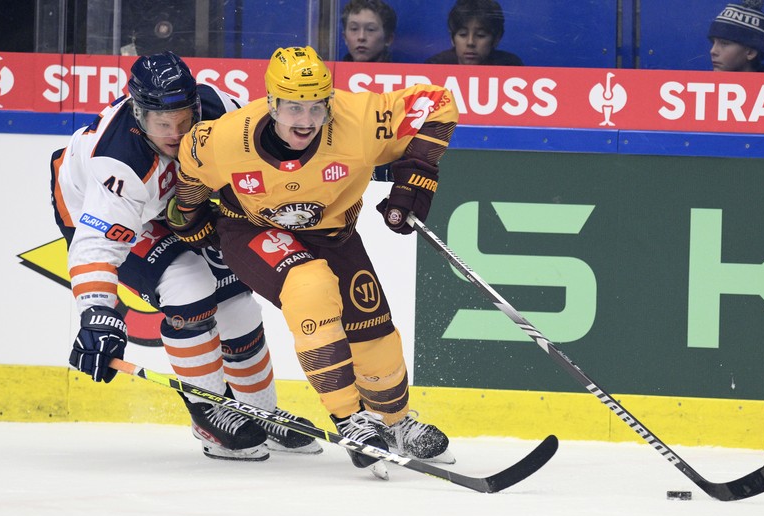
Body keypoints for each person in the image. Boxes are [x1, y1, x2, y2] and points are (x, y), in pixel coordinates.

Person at [174, 46, 459, 475]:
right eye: (292, 108)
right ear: (271, 102)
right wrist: (190, 222)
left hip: (332, 234)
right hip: (251, 230)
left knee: (373, 335)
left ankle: (393, 422)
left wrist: (416, 175)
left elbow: (438, 103)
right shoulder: (225, 138)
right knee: (309, 285)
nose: (305, 121)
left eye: (316, 107)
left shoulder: (359, 120)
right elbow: (190, 174)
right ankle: (351, 420)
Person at [51, 51, 321, 462]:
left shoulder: (219, 109)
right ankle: (210, 417)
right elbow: (95, 247)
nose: (177, 133)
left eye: (183, 118)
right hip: (104, 213)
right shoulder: (119, 164)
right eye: (163, 123)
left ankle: (259, 413)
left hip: (174, 206)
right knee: (188, 285)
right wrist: (96, 313)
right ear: (138, 115)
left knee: (237, 302)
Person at [425, 0, 523, 66]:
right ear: (452, 38)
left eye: (480, 35)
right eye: (463, 34)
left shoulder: (510, 67)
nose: (470, 42)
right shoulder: (436, 66)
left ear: (497, 38)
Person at [707, 0, 764, 72]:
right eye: (713, 42)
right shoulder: (703, 82)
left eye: (724, 43)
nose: (712, 51)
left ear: (751, 52)